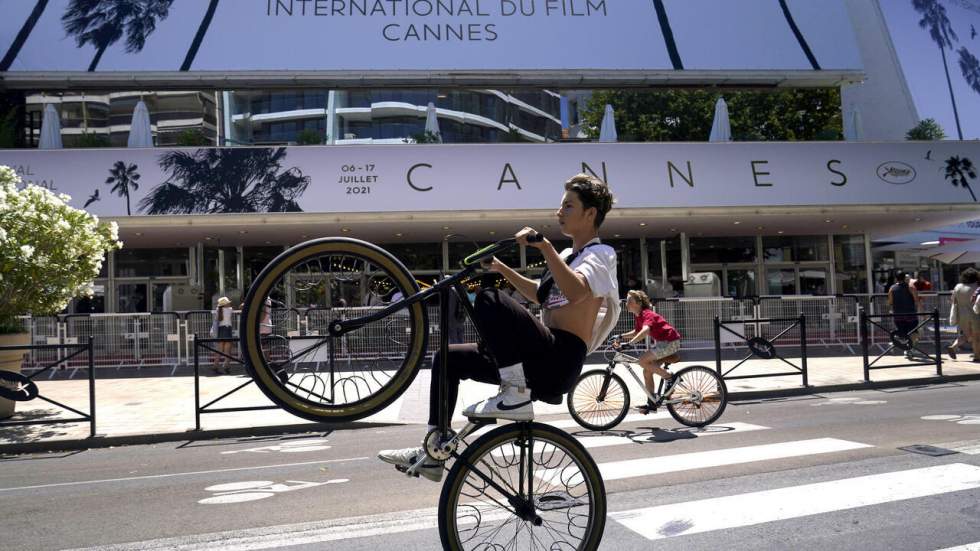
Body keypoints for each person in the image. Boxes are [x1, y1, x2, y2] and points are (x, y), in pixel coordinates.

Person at [378, 173, 618, 482]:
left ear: (590, 213)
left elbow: (577, 292)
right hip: (537, 357)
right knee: (446, 358)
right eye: (561, 206)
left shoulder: (600, 254)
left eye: (568, 206)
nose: (559, 212)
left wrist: (543, 247)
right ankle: (434, 451)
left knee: (489, 299)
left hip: (560, 358)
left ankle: (515, 392)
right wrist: (501, 269)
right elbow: (539, 294)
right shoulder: (568, 256)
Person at [613, 290, 681, 413]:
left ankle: (670, 377)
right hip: (663, 343)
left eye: (629, 301)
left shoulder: (647, 314)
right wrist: (620, 336)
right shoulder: (639, 316)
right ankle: (652, 403)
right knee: (647, 371)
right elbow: (636, 332)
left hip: (670, 342)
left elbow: (645, 331)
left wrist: (629, 344)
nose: (626, 303)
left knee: (642, 360)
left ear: (638, 303)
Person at [949, 268, 980, 361]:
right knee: (977, 337)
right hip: (975, 315)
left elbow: (953, 300)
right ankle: (977, 356)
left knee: (967, 335)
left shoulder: (958, 287)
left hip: (962, 316)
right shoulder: (977, 286)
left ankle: (953, 347)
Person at [888, 271, 919, 360]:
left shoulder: (892, 288)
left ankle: (901, 344)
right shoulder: (910, 287)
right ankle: (908, 349)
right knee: (914, 333)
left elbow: (890, 302)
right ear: (905, 278)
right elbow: (916, 299)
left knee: (903, 333)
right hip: (910, 314)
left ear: (896, 278)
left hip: (898, 315)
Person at [210, 296, 235, 374]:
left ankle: (215, 366)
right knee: (227, 351)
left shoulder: (218, 310)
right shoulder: (230, 310)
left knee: (219, 350)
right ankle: (226, 366)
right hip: (227, 330)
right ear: (226, 304)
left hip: (220, 330)